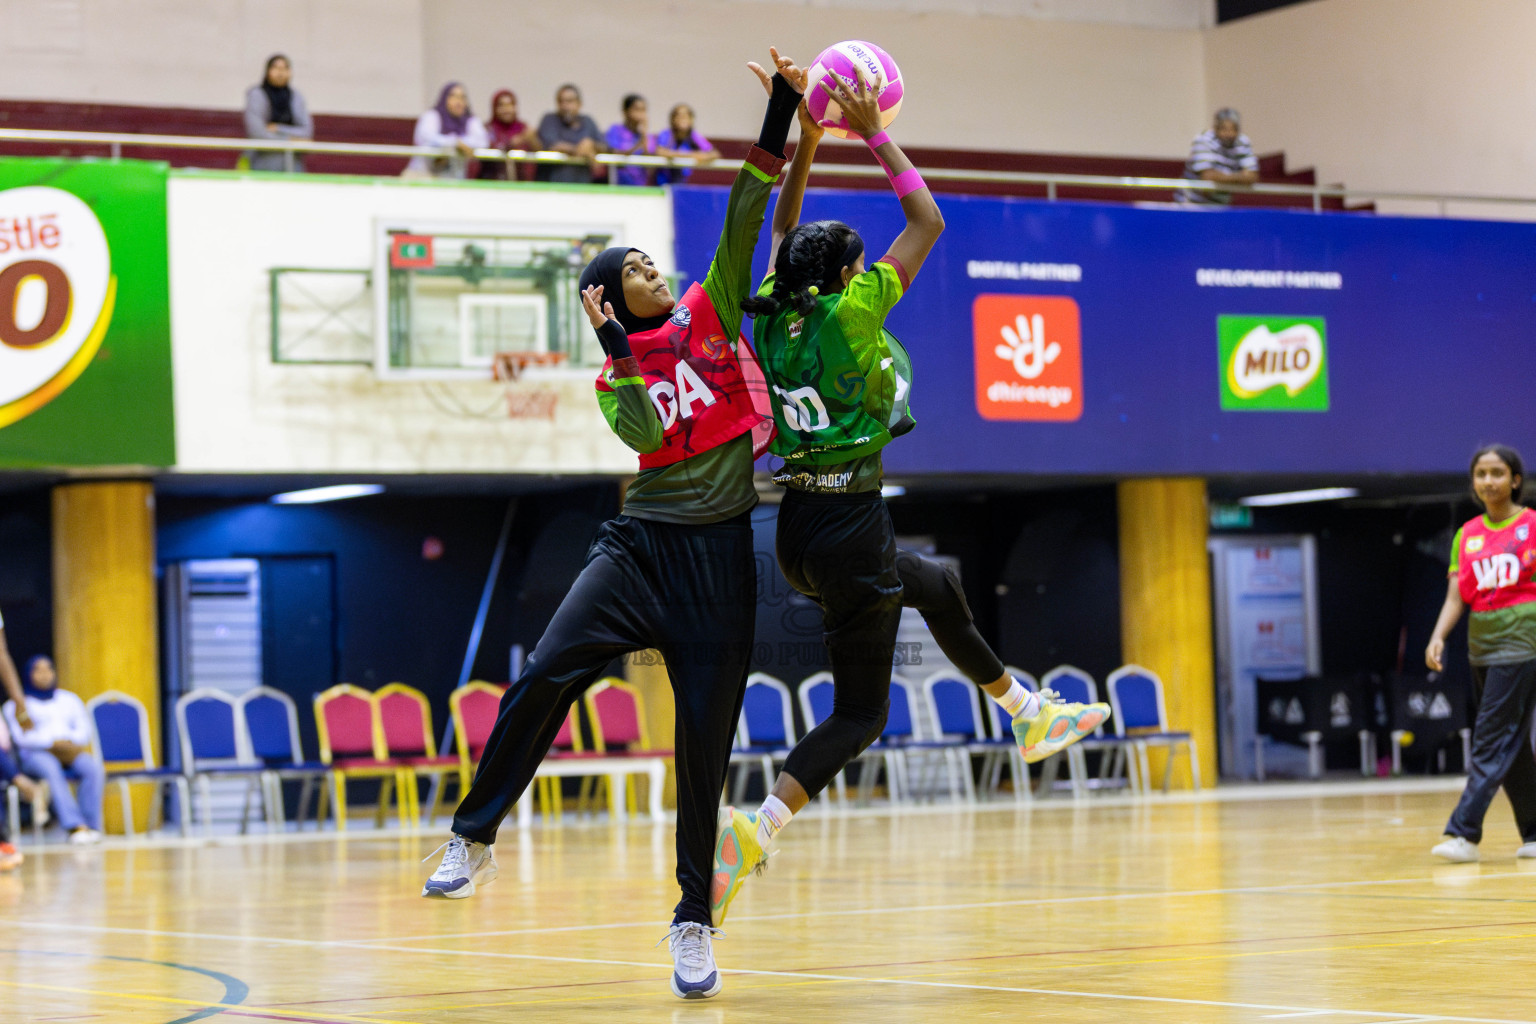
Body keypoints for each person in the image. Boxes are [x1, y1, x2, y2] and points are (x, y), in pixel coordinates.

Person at [421, 47, 806, 1001]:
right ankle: (474, 836)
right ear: (610, 301)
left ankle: (692, 920)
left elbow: (746, 209)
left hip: (720, 559)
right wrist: (615, 349)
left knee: (705, 747)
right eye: (633, 268)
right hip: (637, 552)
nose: (652, 268)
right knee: (546, 671)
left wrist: (781, 114)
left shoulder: (713, 307)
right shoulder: (612, 375)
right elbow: (644, 433)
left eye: (649, 259)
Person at [708, 75, 1112, 924]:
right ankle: (758, 827)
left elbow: (784, 235)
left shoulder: (775, 317)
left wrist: (809, 142)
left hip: (798, 525)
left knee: (936, 584)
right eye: (858, 264)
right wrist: (871, 133)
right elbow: (927, 222)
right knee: (861, 714)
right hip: (849, 527)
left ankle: (1027, 713)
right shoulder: (852, 313)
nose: (866, 270)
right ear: (846, 275)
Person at [1427, 444, 1536, 863]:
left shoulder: (1531, 525)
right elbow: (1456, 596)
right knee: (1513, 745)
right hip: (1481, 647)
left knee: (1490, 738)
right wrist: (1438, 636)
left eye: (1497, 473)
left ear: (1515, 480)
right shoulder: (1467, 534)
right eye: (1481, 474)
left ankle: (1464, 833)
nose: (1488, 481)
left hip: (1522, 643)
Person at [3, 656, 103, 844]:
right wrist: (51, 743)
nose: (44, 675)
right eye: (38, 670)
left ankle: (92, 826)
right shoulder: (18, 704)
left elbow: (84, 730)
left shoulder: (69, 699)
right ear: (28, 674)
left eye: (48, 669)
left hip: (69, 751)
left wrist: (68, 741)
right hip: (35, 754)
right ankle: (75, 826)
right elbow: (20, 737)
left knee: (92, 767)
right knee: (50, 767)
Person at [244, 54, 313, 172]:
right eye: (276, 68)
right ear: (268, 71)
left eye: (285, 68)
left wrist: (278, 128)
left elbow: (306, 132)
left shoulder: (296, 96)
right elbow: (258, 133)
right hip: (262, 165)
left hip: (292, 167)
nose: (280, 73)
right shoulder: (257, 95)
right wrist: (292, 141)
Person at [405, 82, 489, 180]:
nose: (458, 102)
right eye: (453, 96)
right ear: (444, 98)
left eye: (462, 97)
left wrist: (460, 144)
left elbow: (482, 142)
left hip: (453, 180)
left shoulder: (470, 120)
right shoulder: (432, 116)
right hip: (424, 177)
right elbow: (427, 139)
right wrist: (455, 143)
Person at [1177, 107, 1258, 205]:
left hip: (1221, 205)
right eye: (1224, 129)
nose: (1229, 134)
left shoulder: (1243, 142)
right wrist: (1240, 177)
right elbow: (1208, 177)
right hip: (1191, 204)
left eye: (1234, 129)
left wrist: (1220, 176)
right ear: (1215, 128)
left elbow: (1252, 177)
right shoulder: (1203, 140)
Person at [535, 84, 605, 184]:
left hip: (582, 185)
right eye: (560, 101)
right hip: (552, 186)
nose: (564, 106)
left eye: (569, 101)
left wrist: (592, 144)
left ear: (579, 104)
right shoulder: (549, 120)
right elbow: (554, 146)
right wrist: (581, 150)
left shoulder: (588, 121)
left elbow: (603, 146)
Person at [476, 88, 537, 181]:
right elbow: (490, 151)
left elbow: (538, 152)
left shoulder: (523, 128)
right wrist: (511, 144)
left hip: (522, 184)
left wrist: (533, 140)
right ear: (494, 108)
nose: (507, 109)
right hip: (493, 182)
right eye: (502, 105)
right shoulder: (488, 129)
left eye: (510, 105)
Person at [654, 103, 718, 186]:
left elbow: (714, 153)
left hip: (682, 183)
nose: (683, 118)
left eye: (686, 115)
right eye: (679, 115)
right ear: (672, 119)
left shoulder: (694, 136)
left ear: (691, 119)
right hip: (662, 183)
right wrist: (693, 155)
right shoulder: (666, 134)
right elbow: (660, 151)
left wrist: (704, 156)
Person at [606, 94, 656, 187]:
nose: (641, 114)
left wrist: (644, 135)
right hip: (619, 186)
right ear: (625, 111)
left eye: (643, 110)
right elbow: (618, 154)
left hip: (641, 187)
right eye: (637, 109)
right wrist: (638, 144)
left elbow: (649, 165)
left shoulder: (647, 137)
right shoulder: (616, 130)